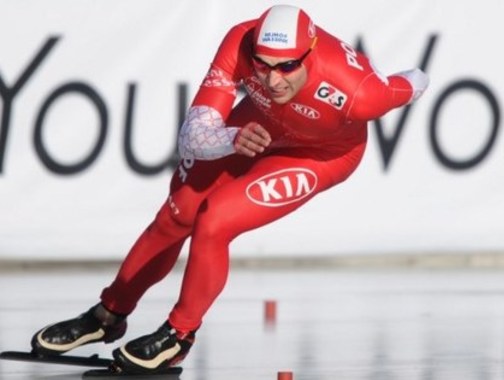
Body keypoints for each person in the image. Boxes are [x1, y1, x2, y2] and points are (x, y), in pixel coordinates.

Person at [30, 4, 429, 375]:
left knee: (214, 219)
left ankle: (178, 335)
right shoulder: (240, 40)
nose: (273, 79)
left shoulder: (362, 94)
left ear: (310, 53)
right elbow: (192, 136)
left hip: (319, 154)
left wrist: (377, 73)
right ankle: (107, 315)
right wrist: (231, 138)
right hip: (255, 128)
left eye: (288, 67)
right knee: (175, 215)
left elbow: (416, 79)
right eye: (263, 66)